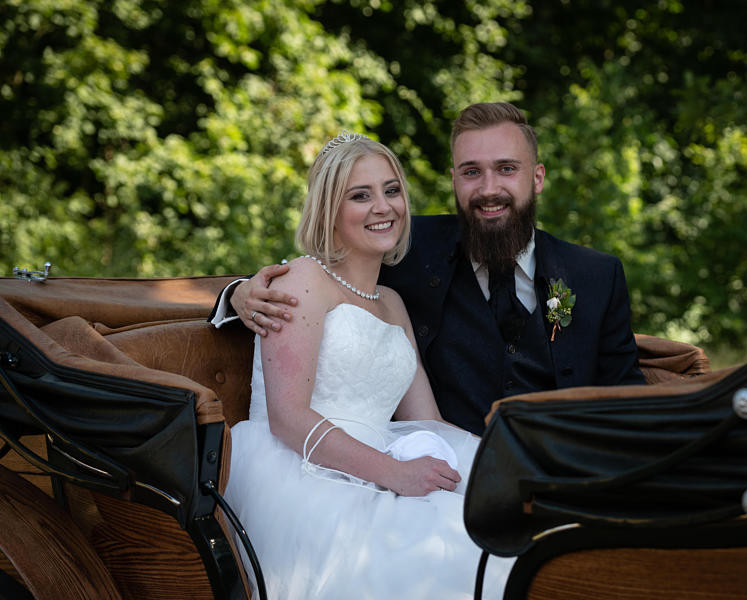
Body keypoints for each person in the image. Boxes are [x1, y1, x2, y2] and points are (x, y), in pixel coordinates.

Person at [211, 102, 645, 435]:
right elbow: (318, 274)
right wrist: (238, 293)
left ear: (537, 177)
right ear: (453, 179)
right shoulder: (403, 243)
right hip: (452, 470)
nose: (489, 189)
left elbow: (628, 400)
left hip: (564, 480)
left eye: (507, 170)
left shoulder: (596, 276)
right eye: (472, 172)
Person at [223, 132, 512, 599]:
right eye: (361, 195)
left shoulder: (393, 303)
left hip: (380, 463)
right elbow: (288, 417)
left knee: (503, 531)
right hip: (302, 469)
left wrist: (503, 464)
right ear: (329, 210)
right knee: (444, 557)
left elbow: (427, 421)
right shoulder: (302, 279)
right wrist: (392, 473)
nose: (384, 207)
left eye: (391, 190)